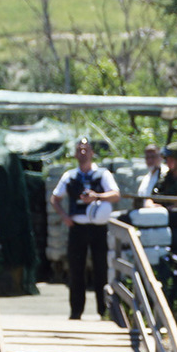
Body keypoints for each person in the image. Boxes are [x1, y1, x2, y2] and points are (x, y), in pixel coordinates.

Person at [50, 137, 120, 319]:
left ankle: (103, 310)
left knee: (101, 269)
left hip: (98, 228)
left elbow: (115, 195)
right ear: (75, 154)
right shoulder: (69, 176)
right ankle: (76, 311)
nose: (83, 153)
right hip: (78, 227)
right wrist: (64, 216)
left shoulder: (102, 174)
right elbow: (55, 198)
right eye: (79, 150)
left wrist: (97, 196)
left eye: (86, 149)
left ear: (92, 153)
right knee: (76, 269)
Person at [151, 141, 177, 207]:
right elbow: (152, 197)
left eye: (171, 159)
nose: (168, 162)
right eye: (167, 159)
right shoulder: (165, 178)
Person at [134, 143, 164, 208]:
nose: (150, 160)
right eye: (147, 157)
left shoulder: (165, 174)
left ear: (161, 157)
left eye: (153, 157)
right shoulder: (146, 178)